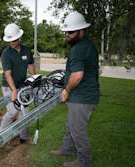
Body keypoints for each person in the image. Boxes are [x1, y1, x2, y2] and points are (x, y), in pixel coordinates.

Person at [50, 11, 100, 167]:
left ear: (81, 31)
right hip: (83, 95)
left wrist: (66, 90)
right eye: (66, 31)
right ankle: (67, 149)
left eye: (71, 32)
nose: (67, 35)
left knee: (77, 130)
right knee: (70, 124)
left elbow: (77, 76)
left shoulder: (78, 49)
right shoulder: (87, 45)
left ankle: (85, 162)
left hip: (82, 96)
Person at [0, 23, 36, 143]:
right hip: (8, 86)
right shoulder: (6, 53)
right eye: (9, 41)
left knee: (24, 111)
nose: (11, 43)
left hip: (22, 85)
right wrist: (14, 90)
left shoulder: (26, 50)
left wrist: (35, 80)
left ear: (20, 37)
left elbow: (30, 66)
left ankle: (23, 137)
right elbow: (7, 74)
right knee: (12, 111)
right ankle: (2, 135)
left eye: (13, 40)